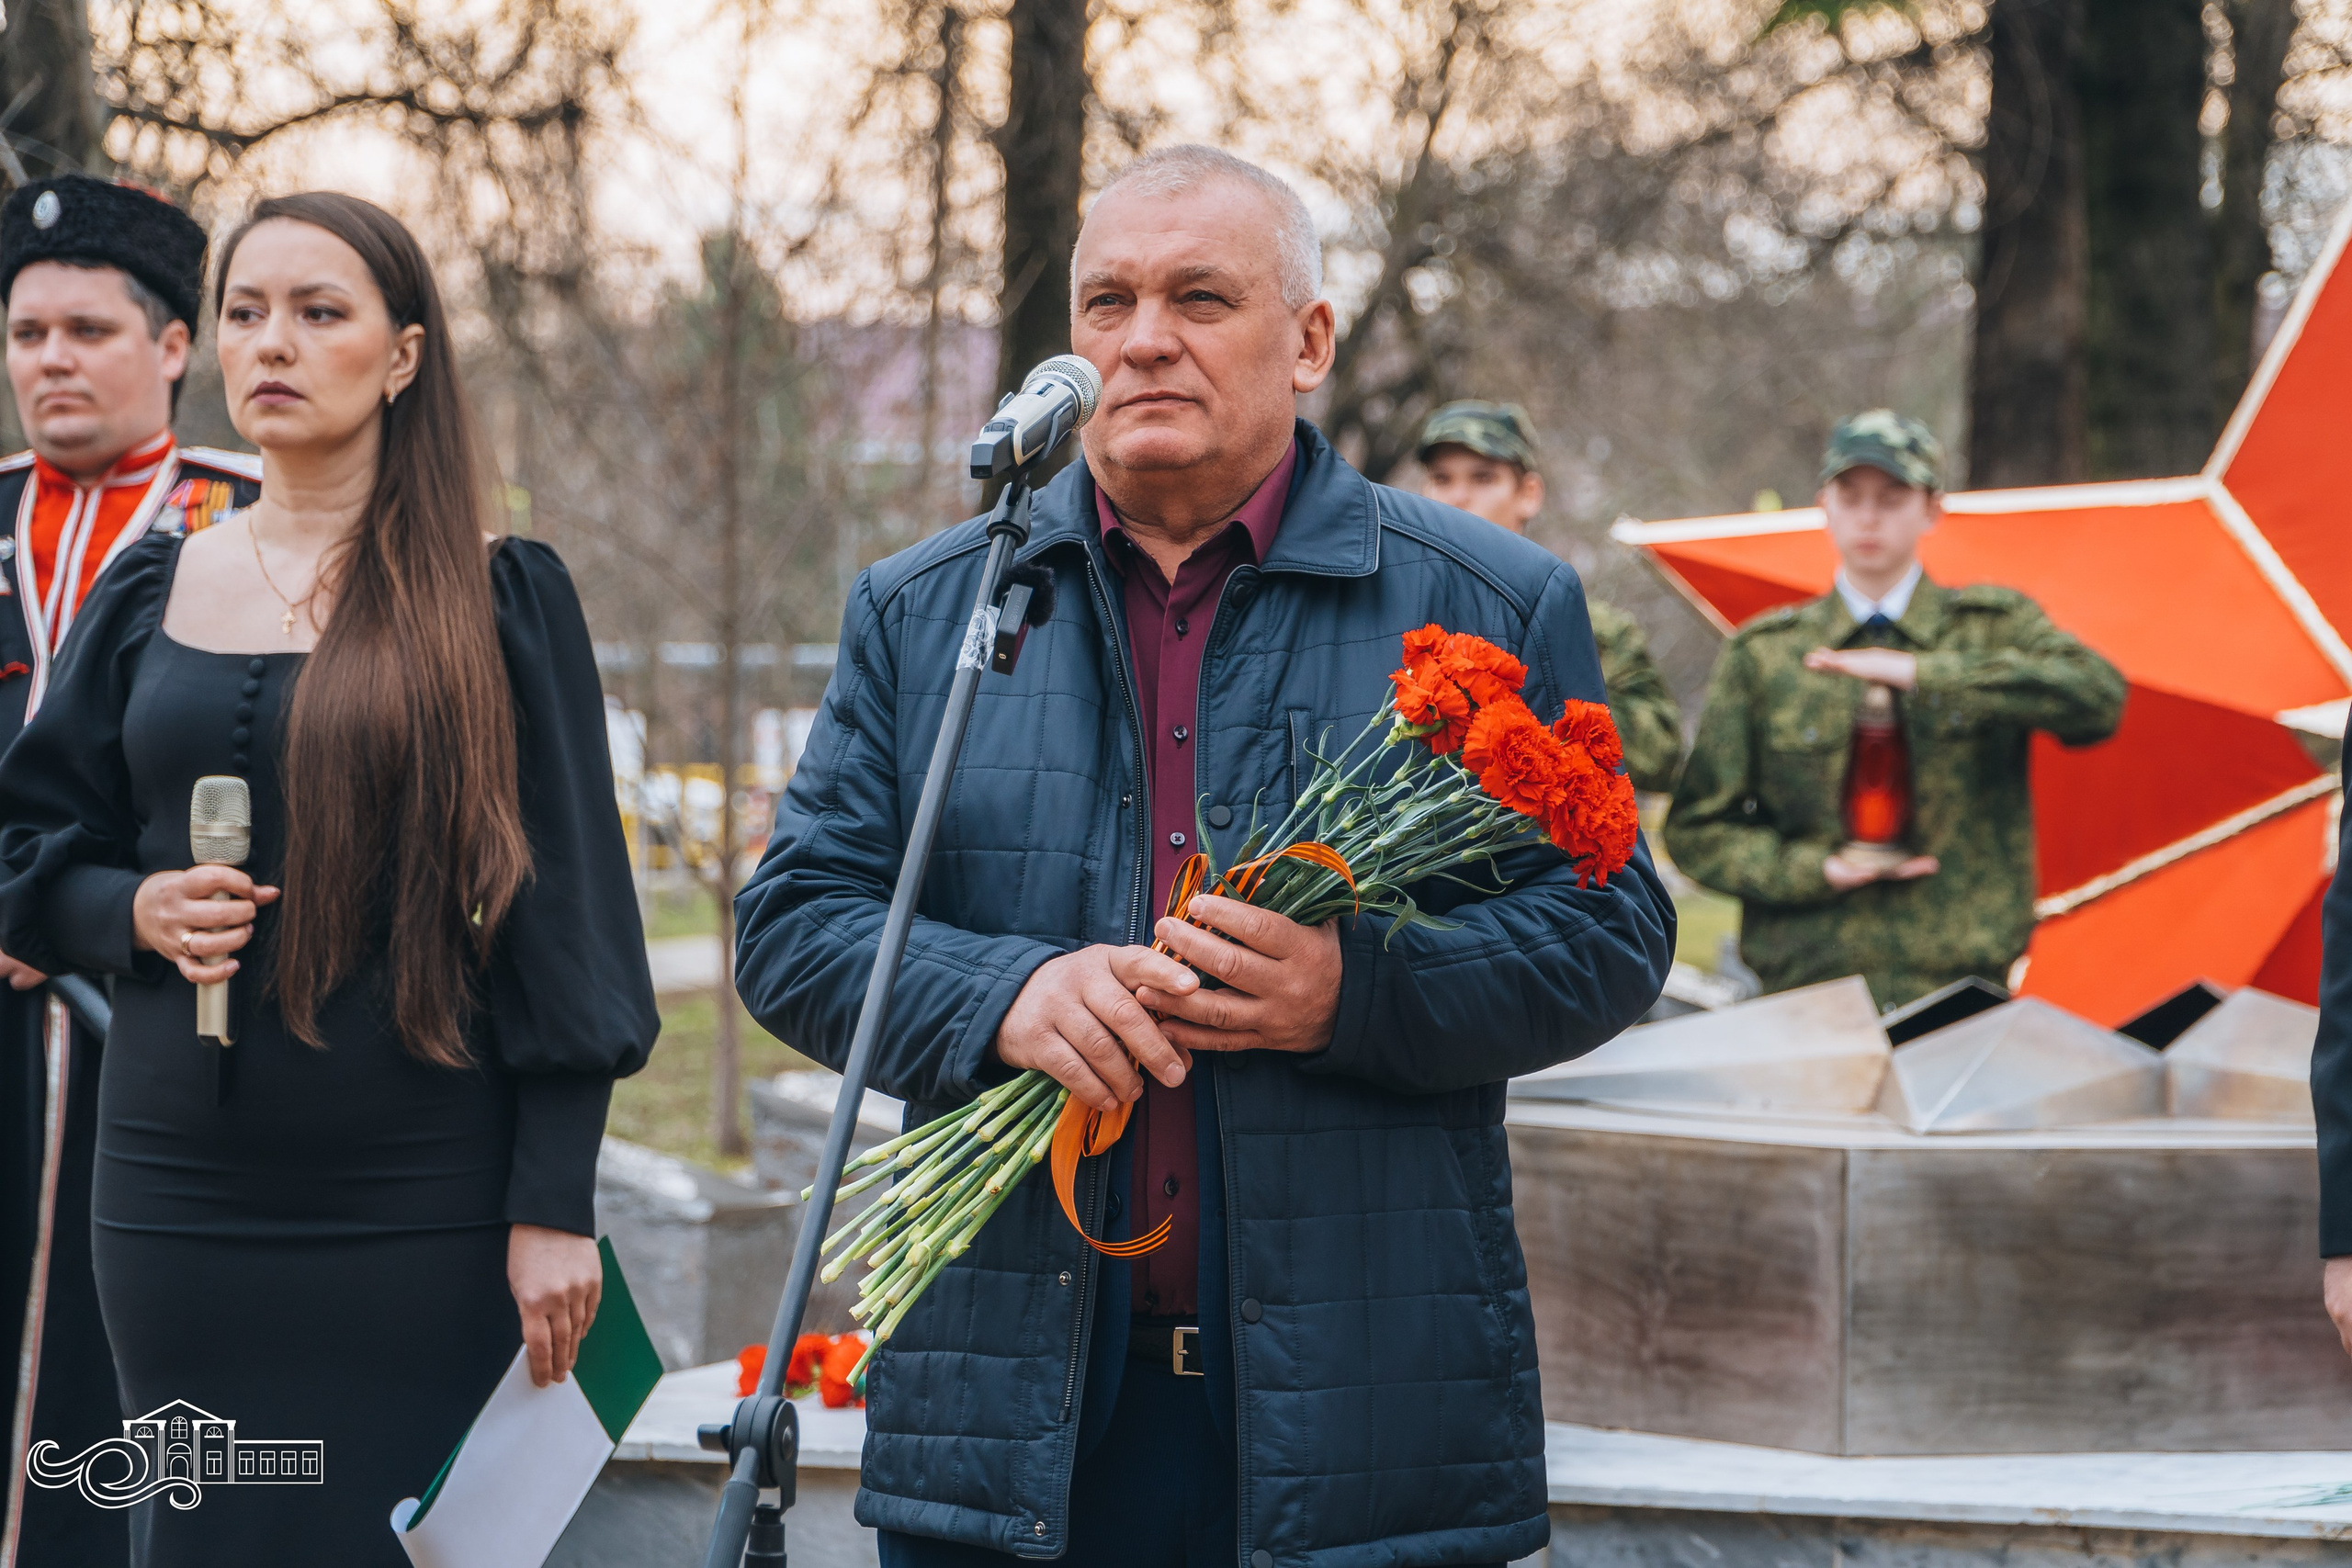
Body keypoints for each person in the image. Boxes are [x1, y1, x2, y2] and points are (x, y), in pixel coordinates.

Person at [735, 145, 1674, 1568]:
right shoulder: (932, 607)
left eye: (1199, 297)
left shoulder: (1485, 598)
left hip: (1357, 1433)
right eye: (1107, 302)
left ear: (1308, 342)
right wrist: (1002, 997)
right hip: (1007, 1431)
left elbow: (1610, 931)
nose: (1145, 338)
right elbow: (794, 921)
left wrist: (1350, 990)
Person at [0, 191, 656, 1566]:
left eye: (320, 311)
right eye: (246, 312)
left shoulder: (496, 597)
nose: (272, 343)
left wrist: (555, 1204)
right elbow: (29, 855)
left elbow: (572, 922)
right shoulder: (148, 588)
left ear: (403, 355)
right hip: (174, 1195)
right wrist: (130, 910)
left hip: (421, 1192)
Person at [0, 173, 263, 1567]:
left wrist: (83, 915)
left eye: (89, 329)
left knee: (148, 1395)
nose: (52, 358)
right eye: (29, 331)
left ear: (172, 347)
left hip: (169, 1024)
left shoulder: (255, 521)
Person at [1665, 411, 2124, 1010]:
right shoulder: (1768, 654)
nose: (1869, 516)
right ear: (1823, 505)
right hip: (1808, 985)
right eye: (1850, 496)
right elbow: (1698, 831)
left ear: (1932, 507)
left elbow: (2097, 698)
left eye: (1892, 496)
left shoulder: (1991, 628)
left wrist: (1923, 672)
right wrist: (1816, 868)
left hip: (1959, 984)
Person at [1417, 400, 1684, 791]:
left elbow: (1662, 755)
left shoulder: (1589, 626)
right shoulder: (1398, 613)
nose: (1458, 497)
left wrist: (1553, 696)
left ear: (1528, 494)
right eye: (1442, 479)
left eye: (1483, 478)